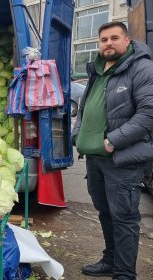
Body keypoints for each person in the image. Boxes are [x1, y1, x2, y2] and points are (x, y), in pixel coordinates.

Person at [71, 21, 153, 280]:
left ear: (127, 41)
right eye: (104, 39)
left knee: (125, 217)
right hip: (95, 159)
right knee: (105, 212)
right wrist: (77, 134)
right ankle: (110, 260)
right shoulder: (97, 69)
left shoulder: (141, 68)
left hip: (121, 159)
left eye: (114, 38)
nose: (108, 43)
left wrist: (113, 141)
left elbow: (148, 114)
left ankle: (124, 273)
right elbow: (86, 108)